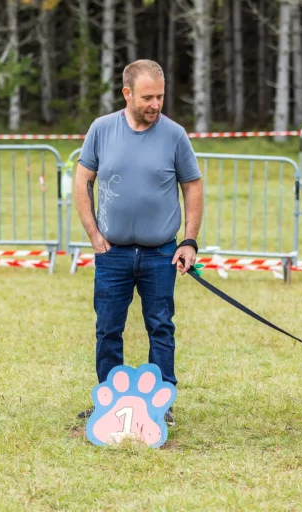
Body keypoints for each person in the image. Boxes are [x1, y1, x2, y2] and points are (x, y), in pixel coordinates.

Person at [73, 59, 204, 426]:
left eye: (160, 96)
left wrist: (189, 241)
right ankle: (107, 400)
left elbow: (192, 186)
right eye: (148, 97)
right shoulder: (101, 130)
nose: (155, 104)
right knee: (108, 329)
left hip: (161, 252)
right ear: (127, 94)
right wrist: (94, 235)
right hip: (112, 254)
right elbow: (82, 181)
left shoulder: (175, 135)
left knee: (160, 327)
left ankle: (162, 404)